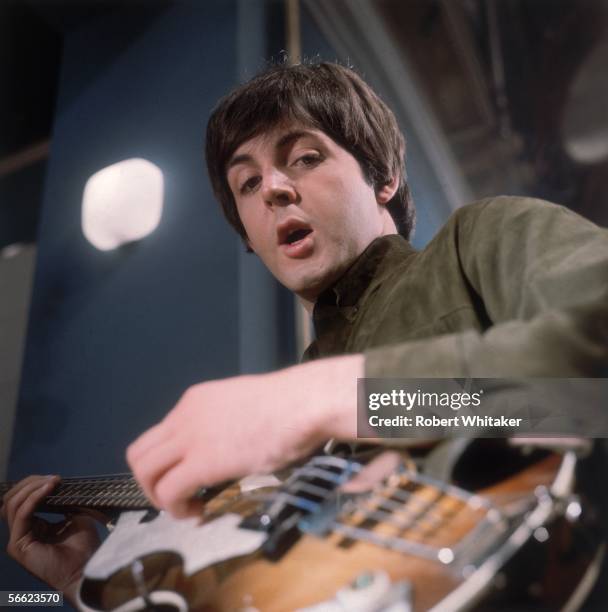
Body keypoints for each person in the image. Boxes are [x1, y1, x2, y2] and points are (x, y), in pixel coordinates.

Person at [2, 61, 608, 605]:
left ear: (383, 179)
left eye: (305, 158)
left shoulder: (481, 238)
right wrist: (87, 586)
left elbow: (577, 389)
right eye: (246, 184)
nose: (272, 188)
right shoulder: (286, 433)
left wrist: (332, 398)